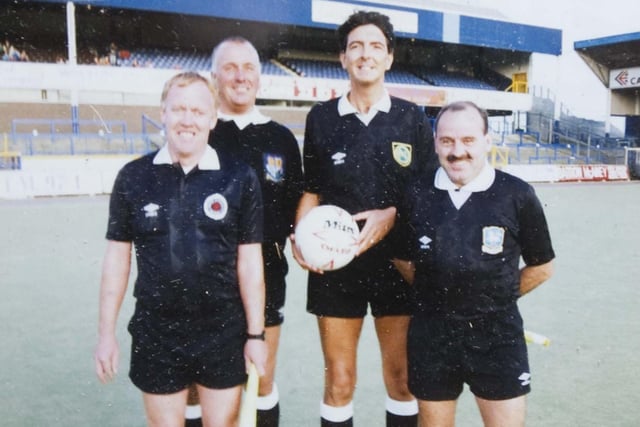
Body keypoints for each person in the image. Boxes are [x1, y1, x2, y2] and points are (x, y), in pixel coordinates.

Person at [94, 71, 268, 427]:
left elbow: (250, 264)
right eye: (178, 109)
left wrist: (255, 335)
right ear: (163, 113)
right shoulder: (133, 176)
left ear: (213, 118)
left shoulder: (239, 177)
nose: (187, 120)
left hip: (223, 330)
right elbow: (117, 260)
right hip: (156, 332)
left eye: (198, 111)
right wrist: (106, 334)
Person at [290, 11, 437, 427]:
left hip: (400, 264)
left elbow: (429, 195)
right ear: (342, 58)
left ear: (389, 58)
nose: (365, 54)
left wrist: (391, 215)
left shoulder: (412, 118)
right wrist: (302, 238)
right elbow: (312, 190)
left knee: (402, 379)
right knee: (339, 380)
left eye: (375, 46)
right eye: (356, 46)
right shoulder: (320, 118)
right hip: (338, 267)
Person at [396, 101, 555, 426]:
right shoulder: (416, 193)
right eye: (447, 141)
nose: (457, 152)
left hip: (497, 337)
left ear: (487, 140)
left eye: (468, 140)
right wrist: (442, 293)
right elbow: (402, 258)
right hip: (432, 336)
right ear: (435, 142)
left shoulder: (517, 194)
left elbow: (542, 266)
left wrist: (493, 296)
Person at [183, 36, 304, 427]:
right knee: (195, 386)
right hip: (203, 279)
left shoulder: (282, 139)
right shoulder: (200, 133)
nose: (240, 76)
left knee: (261, 378)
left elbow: (295, 212)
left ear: (260, 76)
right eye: (230, 67)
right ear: (214, 76)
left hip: (266, 277)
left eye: (248, 67)